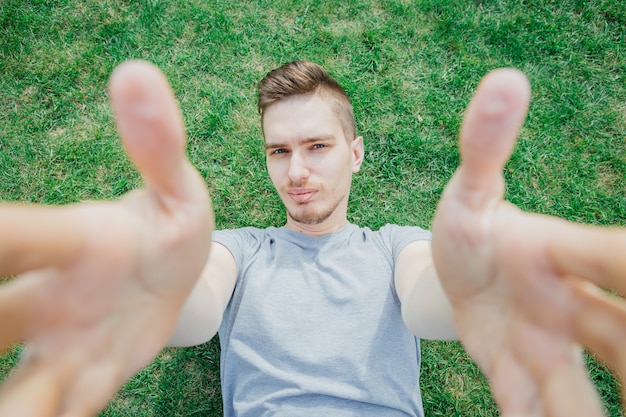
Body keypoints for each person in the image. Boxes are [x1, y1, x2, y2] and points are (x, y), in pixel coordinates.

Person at [0, 59, 624, 417]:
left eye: (317, 147)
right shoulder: (238, 250)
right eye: (279, 151)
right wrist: (152, 291)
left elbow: (431, 303)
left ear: (354, 154)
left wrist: (472, 290)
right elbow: (192, 315)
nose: (296, 171)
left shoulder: (395, 247)